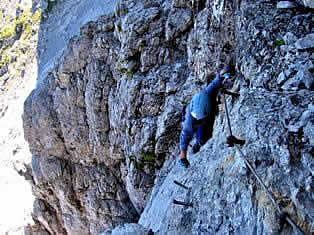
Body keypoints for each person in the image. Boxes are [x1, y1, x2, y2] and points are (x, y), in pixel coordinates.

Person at [178, 65, 240, 168]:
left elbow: (215, 84)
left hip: (205, 116)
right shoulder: (189, 123)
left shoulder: (205, 96)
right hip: (200, 124)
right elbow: (184, 137)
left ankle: (199, 142)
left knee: (212, 91)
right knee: (201, 140)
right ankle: (197, 144)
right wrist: (183, 157)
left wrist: (223, 74)